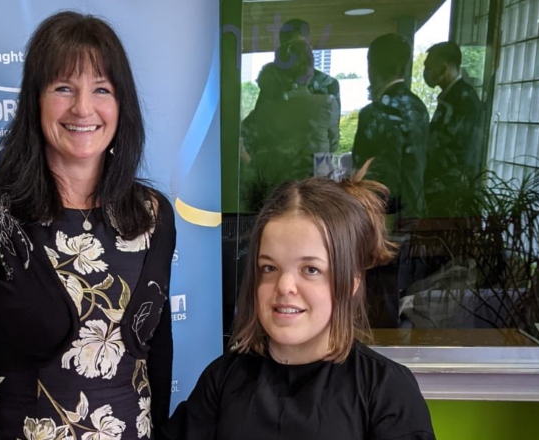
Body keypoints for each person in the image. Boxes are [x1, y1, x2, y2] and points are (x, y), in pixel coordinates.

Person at [0, 11, 176, 440]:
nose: (83, 108)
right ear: (36, 100)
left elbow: (157, 350)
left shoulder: (152, 215)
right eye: (64, 88)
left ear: (122, 106)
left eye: (101, 89)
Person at [161, 161, 436, 440]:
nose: (285, 286)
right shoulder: (222, 380)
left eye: (311, 270)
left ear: (351, 282)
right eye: (269, 268)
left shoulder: (387, 391)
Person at [241, 39, 340, 209]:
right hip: (312, 198)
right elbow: (331, 148)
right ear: (310, 71)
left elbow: (247, 142)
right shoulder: (325, 104)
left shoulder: (264, 111)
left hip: (272, 196)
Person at [352, 33, 429, 221]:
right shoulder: (418, 107)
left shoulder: (374, 113)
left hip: (380, 213)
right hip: (413, 207)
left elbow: (364, 170)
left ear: (372, 67)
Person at [422, 41, 484, 217]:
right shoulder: (452, 97)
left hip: (451, 193)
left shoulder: (463, 100)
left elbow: (452, 149)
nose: (426, 72)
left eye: (429, 66)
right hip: (444, 189)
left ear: (443, 68)